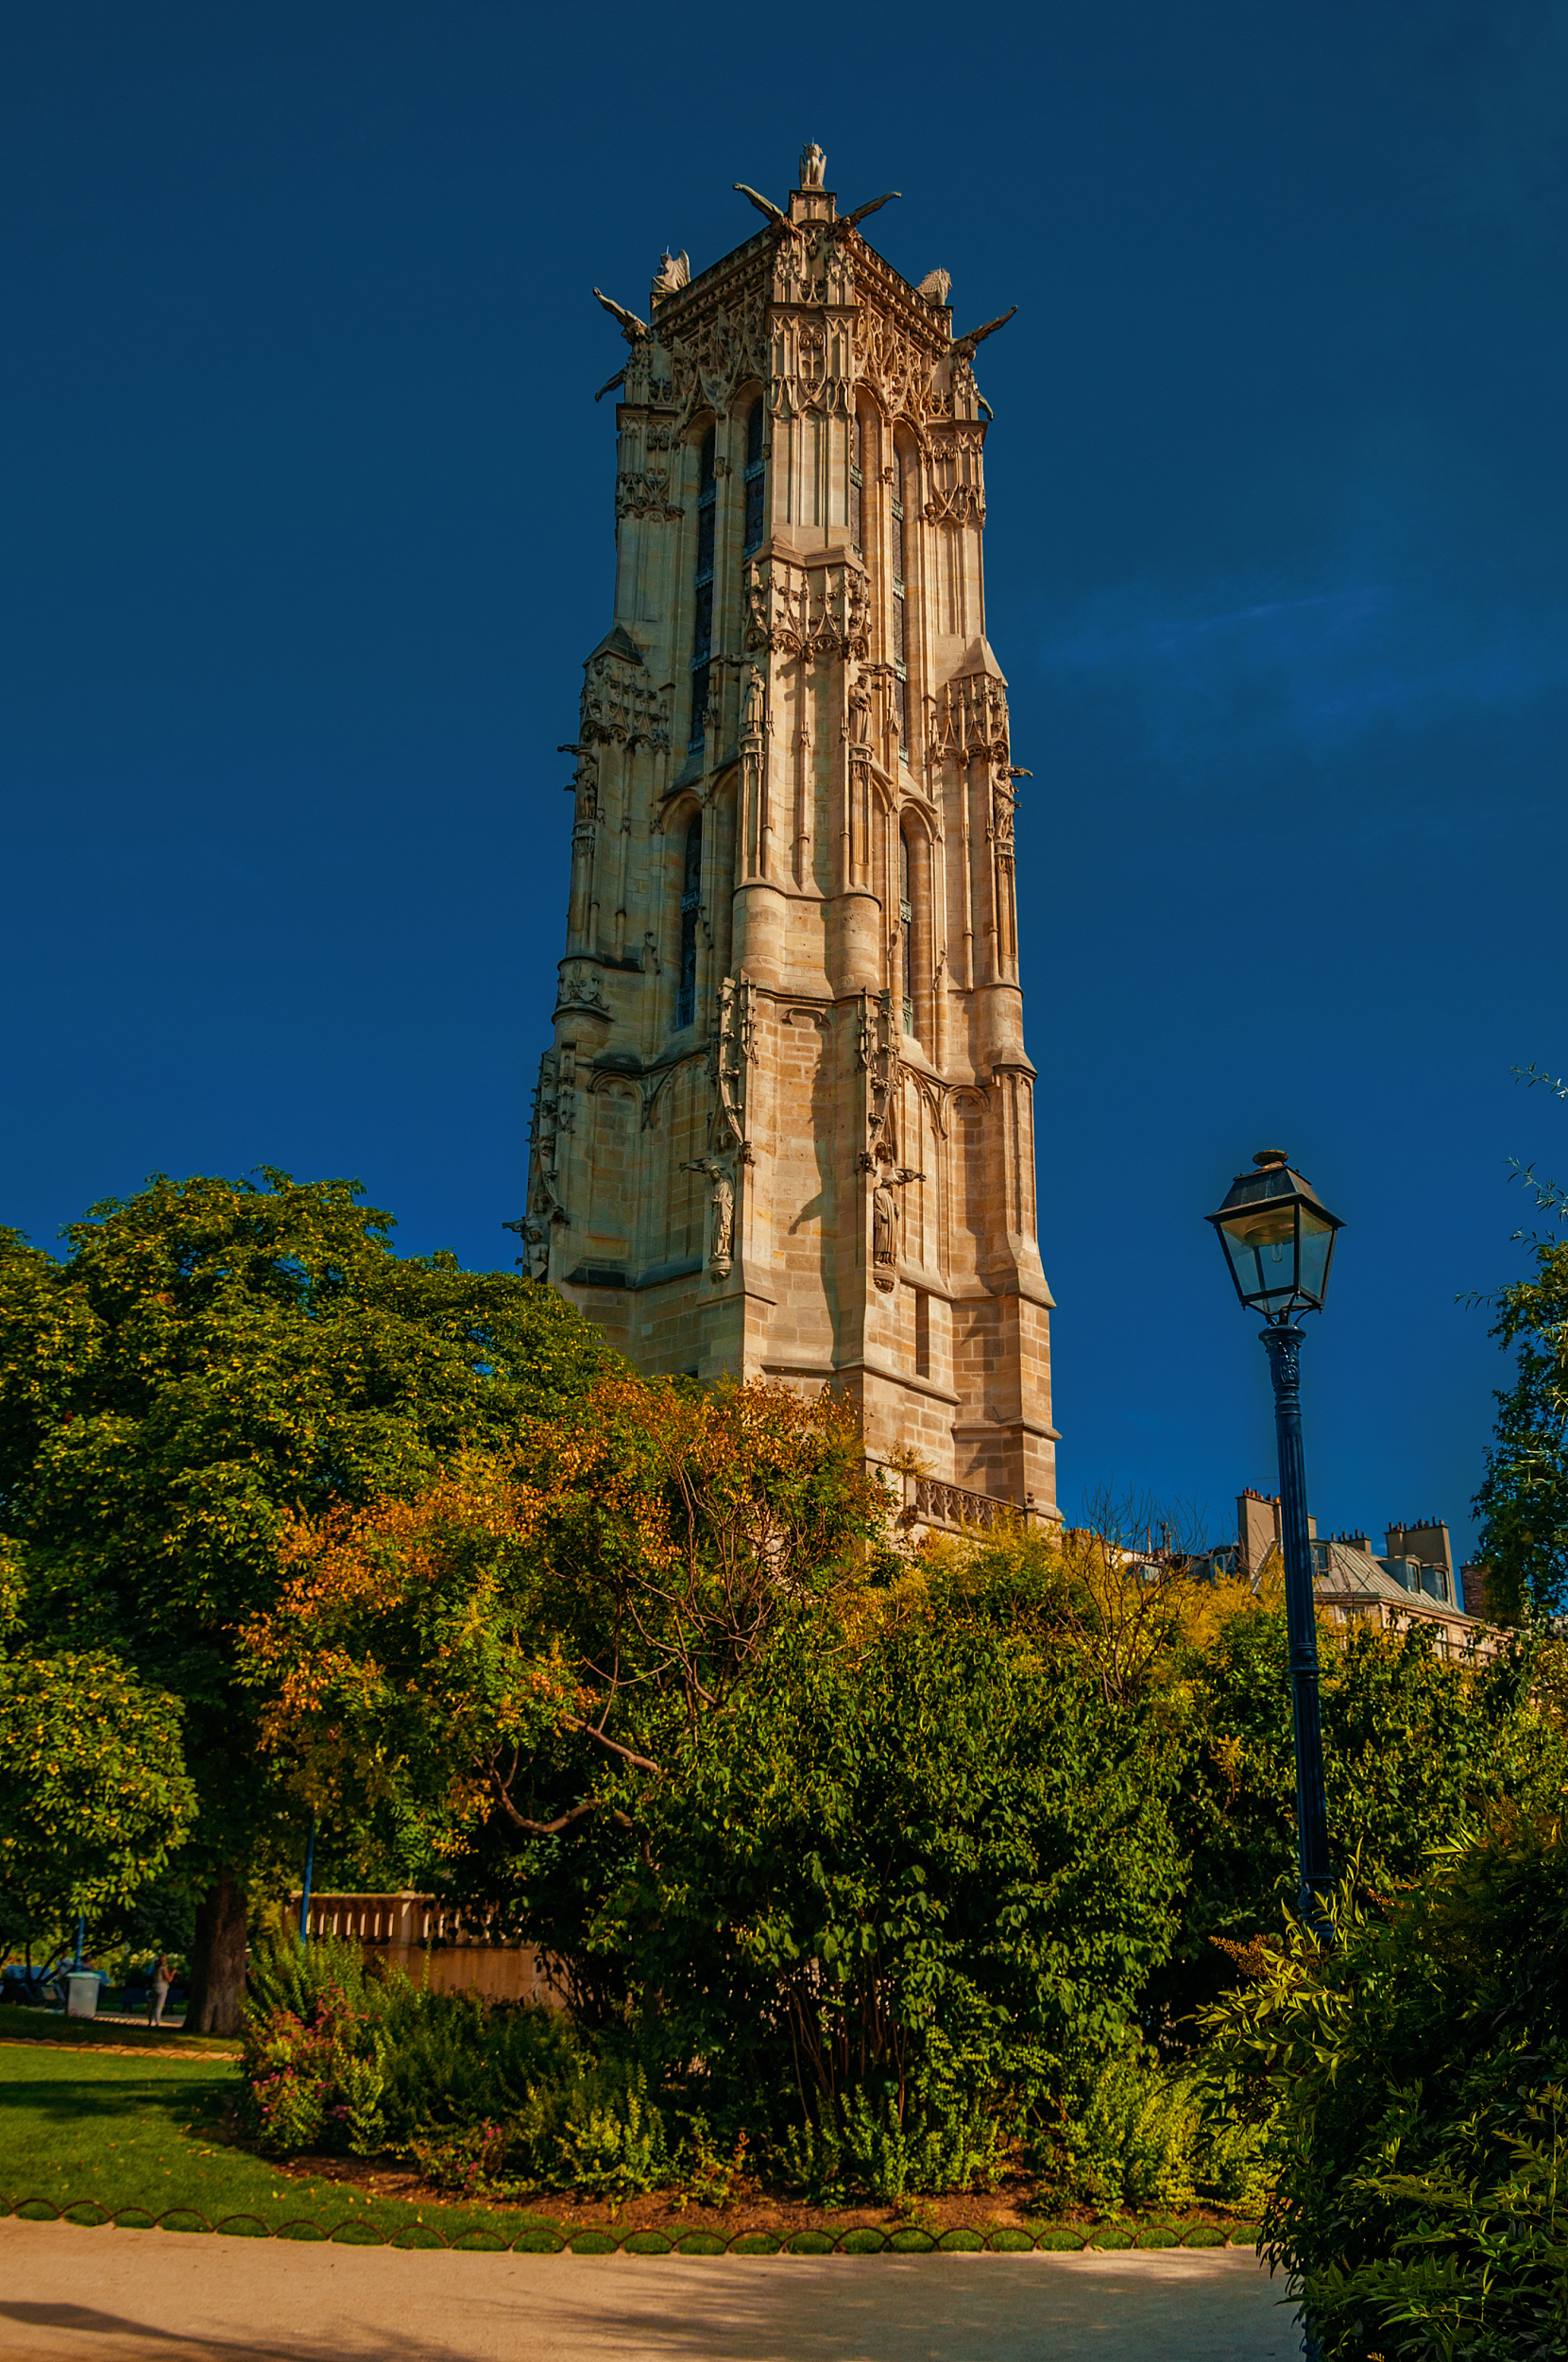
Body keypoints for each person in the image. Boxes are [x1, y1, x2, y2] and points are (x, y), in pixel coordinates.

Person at [147, 1953, 173, 2028]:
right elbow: (168, 1979)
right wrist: (172, 1974)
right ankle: (157, 2022)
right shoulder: (163, 1969)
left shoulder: (156, 1968)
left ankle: (150, 2021)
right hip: (162, 1988)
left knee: (153, 2005)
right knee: (159, 2006)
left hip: (155, 1987)